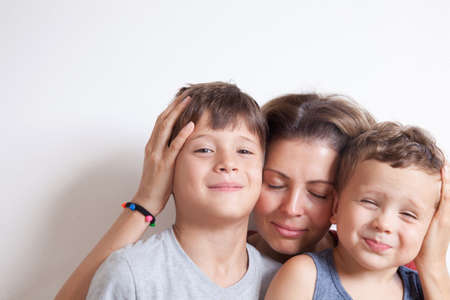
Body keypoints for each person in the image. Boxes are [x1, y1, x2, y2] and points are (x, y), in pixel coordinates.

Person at [55, 92, 450, 300]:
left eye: (318, 192)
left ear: (343, 198)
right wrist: (147, 202)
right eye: (274, 183)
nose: (292, 209)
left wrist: (433, 267)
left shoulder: (388, 267)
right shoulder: (208, 261)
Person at [86, 81, 281, 299]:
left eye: (244, 150)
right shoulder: (131, 275)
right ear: (168, 167)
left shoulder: (282, 282)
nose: (228, 163)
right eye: (204, 149)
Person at [265, 122, 447, 300]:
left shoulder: (426, 289)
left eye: (408, 214)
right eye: (369, 202)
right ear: (336, 206)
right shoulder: (304, 277)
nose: (384, 224)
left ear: (431, 228)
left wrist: (435, 265)